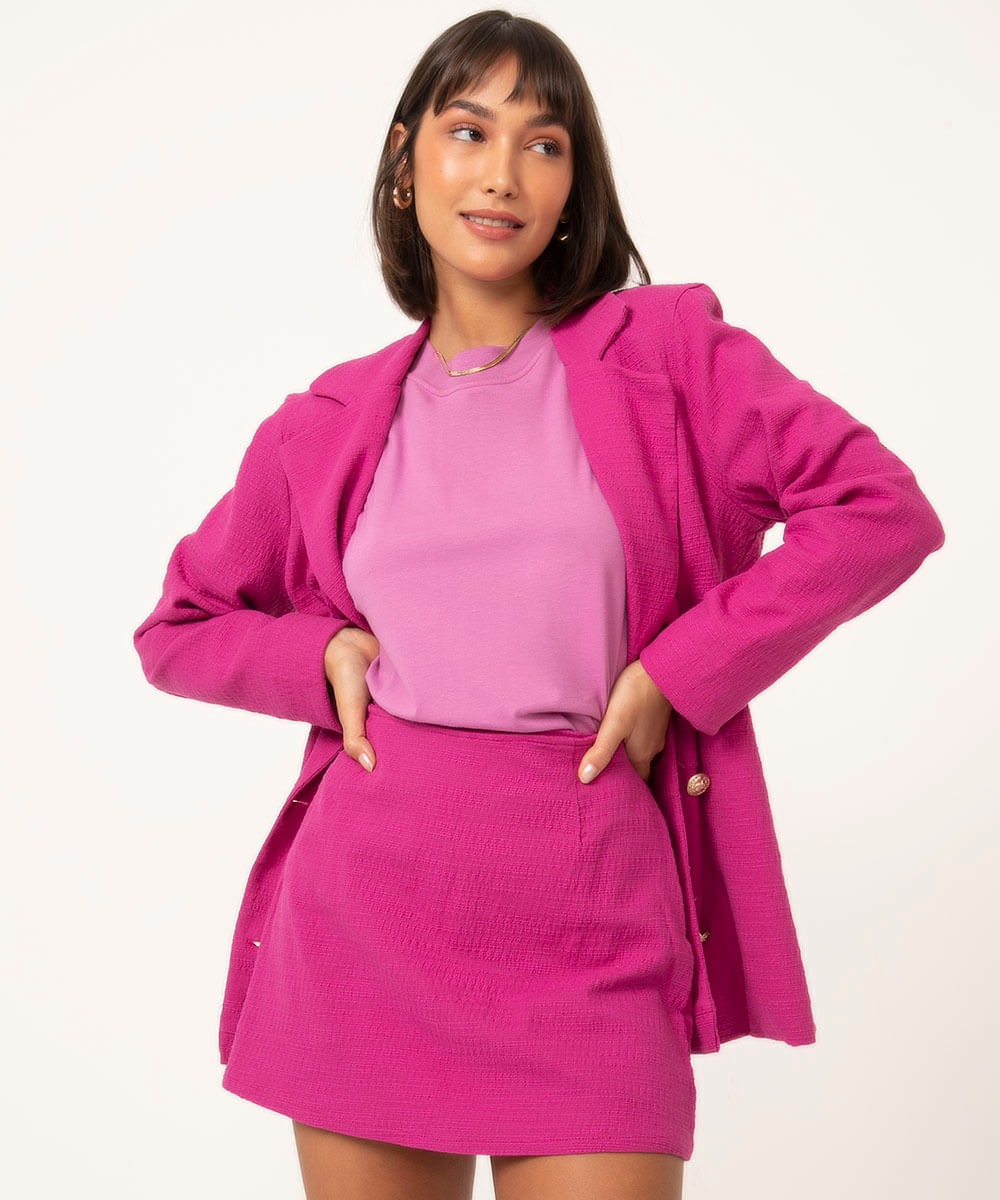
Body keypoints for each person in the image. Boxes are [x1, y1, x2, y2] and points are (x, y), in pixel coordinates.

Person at [131, 10, 945, 1200]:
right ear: (405, 160)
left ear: (575, 183)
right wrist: (322, 657)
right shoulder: (327, 422)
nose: (503, 173)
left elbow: (878, 510)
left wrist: (678, 671)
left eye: (544, 142)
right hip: (364, 924)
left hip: (591, 921)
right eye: (468, 131)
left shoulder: (669, 355)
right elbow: (179, 628)